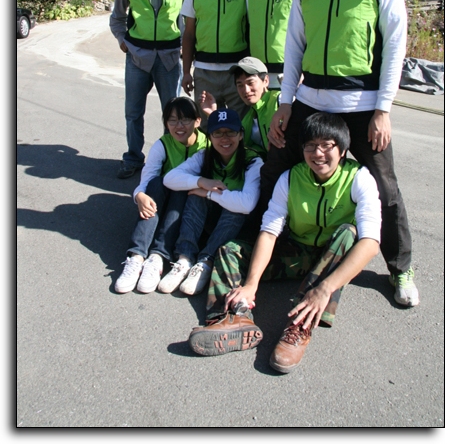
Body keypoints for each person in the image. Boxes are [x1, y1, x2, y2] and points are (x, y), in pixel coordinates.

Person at [261, 0, 418, 307]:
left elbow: (395, 45)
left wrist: (383, 109)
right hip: (310, 98)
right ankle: (262, 248)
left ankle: (400, 268)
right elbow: (295, 44)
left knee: (384, 186)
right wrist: (285, 102)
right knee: (276, 163)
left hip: (362, 103)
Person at [187, 113, 381, 373]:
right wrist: (251, 285)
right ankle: (231, 317)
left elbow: (371, 242)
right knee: (230, 250)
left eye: (327, 145)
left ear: (343, 150)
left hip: (334, 259)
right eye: (310, 146)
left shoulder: (359, 177)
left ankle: (299, 327)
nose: (318, 153)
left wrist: (325, 289)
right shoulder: (290, 178)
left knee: (349, 232)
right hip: (298, 252)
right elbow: (269, 232)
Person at [110, 0, 192, 179]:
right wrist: (123, 41)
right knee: (133, 112)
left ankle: (171, 159)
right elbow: (117, 17)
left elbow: (191, 18)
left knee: (174, 114)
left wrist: (186, 47)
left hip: (169, 57)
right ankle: (134, 157)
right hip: (138, 56)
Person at [158, 109, 263, 296]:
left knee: (235, 205)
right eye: (218, 133)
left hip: (236, 227)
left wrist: (209, 194)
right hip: (209, 220)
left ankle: (206, 261)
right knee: (195, 195)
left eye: (230, 132)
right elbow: (169, 178)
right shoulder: (204, 155)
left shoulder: (252, 161)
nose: (224, 138)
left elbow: (247, 204)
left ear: (240, 135)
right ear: (210, 136)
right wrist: (201, 182)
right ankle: (184, 259)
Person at [114, 97, 206, 294]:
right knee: (155, 183)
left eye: (185, 120)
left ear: (197, 121)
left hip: (188, 205)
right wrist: (139, 195)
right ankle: (137, 256)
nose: (179, 126)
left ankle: (157, 256)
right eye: (172, 120)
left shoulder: (206, 145)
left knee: (183, 188)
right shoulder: (162, 145)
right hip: (162, 200)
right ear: (165, 123)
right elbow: (146, 179)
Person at [181, 0, 253, 127]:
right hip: (205, 73)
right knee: (207, 125)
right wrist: (186, 72)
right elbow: (189, 34)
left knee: (241, 124)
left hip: (237, 71)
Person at [199, 56, 281, 160]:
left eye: (250, 83)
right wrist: (212, 114)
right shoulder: (248, 117)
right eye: (240, 85)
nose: (246, 90)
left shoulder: (280, 101)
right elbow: (230, 143)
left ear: (266, 81)